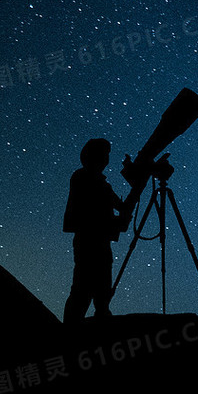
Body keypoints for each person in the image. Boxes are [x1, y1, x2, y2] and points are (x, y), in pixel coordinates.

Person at [62, 138, 129, 324]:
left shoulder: (101, 183)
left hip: (99, 241)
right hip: (89, 240)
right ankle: (71, 328)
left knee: (102, 284)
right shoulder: (83, 178)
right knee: (83, 288)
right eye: (103, 154)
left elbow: (121, 207)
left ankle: (101, 314)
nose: (106, 159)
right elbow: (93, 214)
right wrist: (117, 220)